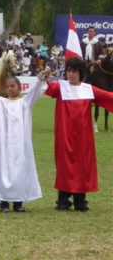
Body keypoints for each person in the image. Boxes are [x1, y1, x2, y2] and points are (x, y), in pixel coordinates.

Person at [45, 57, 113, 211]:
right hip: (64, 136)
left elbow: (109, 97)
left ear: (81, 73)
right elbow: (47, 88)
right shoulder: (60, 88)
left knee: (83, 166)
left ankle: (80, 200)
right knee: (64, 166)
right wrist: (45, 78)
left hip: (84, 138)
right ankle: (63, 199)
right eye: (69, 71)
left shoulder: (88, 89)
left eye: (74, 71)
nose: (71, 74)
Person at [0, 73, 47, 213]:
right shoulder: (0, 102)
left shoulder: (25, 102)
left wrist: (40, 79)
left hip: (21, 144)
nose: (10, 89)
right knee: (3, 170)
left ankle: (18, 201)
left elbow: (35, 92)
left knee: (20, 171)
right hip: (4, 144)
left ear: (19, 87)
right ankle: (4, 201)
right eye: (7, 87)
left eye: (13, 86)